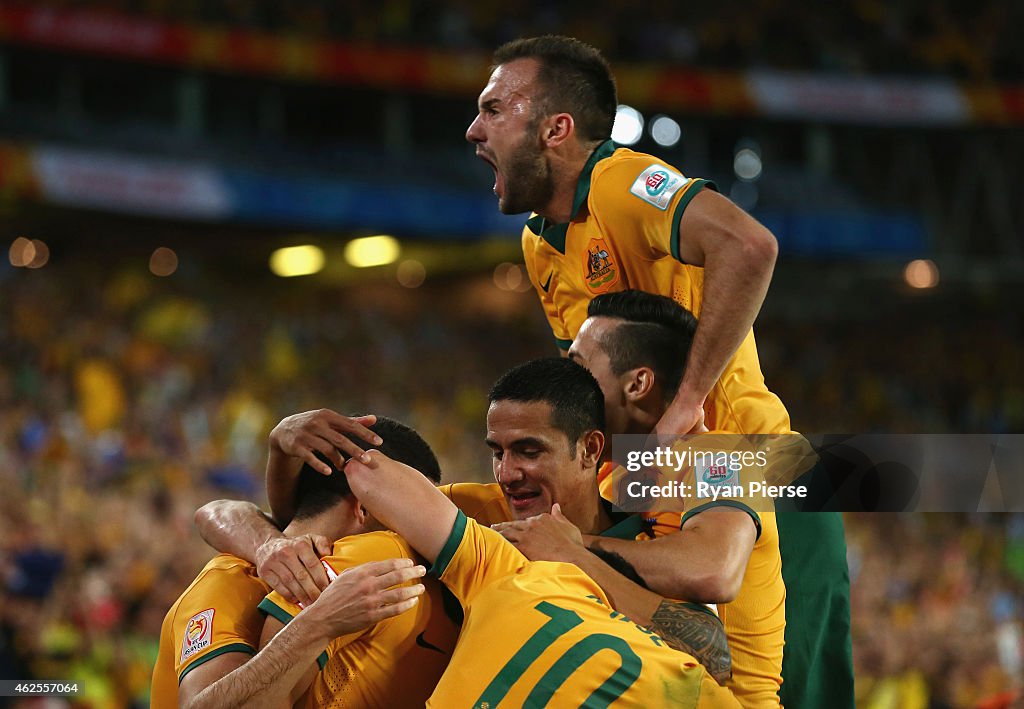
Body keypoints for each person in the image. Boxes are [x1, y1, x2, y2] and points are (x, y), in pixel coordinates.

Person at [466, 35, 853, 708]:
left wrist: (688, 400)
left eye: (495, 109)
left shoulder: (621, 183)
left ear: (557, 128)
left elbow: (750, 244)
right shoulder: (538, 243)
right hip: (659, 486)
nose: (474, 129)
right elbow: (591, 391)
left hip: (751, 470)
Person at [340, 365, 740, 707]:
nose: (507, 474)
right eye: (498, 452)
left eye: (528, 451)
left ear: (589, 449)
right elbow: (346, 508)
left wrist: (576, 552)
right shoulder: (478, 508)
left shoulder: (651, 541)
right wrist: (279, 540)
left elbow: (714, 654)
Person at [501, 290, 783, 706]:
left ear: (637, 383)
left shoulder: (721, 457)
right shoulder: (610, 474)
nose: (566, 383)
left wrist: (573, 547)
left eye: (579, 367)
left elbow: (714, 569)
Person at [150, 416, 447, 708]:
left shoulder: (332, 577)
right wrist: (319, 623)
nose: (422, 532)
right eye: (415, 511)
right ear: (365, 507)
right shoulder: (228, 582)